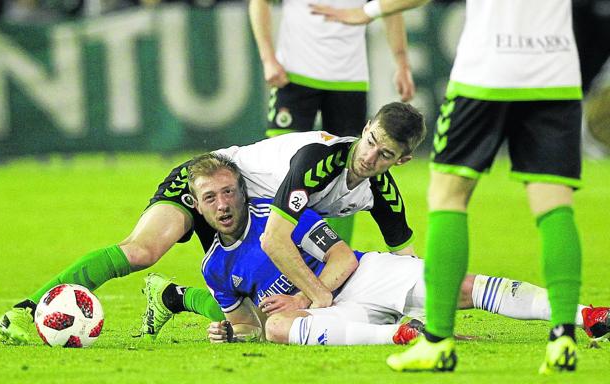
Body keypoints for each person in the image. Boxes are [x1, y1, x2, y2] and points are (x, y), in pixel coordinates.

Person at [0, 102, 426, 344]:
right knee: (142, 250)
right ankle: (26, 309)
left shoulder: (381, 192)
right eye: (370, 142)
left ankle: (172, 297)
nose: (371, 157)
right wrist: (315, 296)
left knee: (254, 320)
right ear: (365, 130)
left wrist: (424, 317)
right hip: (217, 181)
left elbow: (407, 259)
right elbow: (278, 237)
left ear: (400, 160)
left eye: (385, 153)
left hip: (252, 209)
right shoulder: (317, 160)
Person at [312, 0, 587, 374]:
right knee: (555, 206)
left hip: (487, 68)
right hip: (556, 71)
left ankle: (438, 342)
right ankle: (563, 336)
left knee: (449, 197)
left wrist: (371, 10)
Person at [139, 152, 609, 347]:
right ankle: (404, 337)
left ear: (241, 190)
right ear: (197, 209)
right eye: (210, 198)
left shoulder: (275, 217)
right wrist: (230, 333)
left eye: (228, 191)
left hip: (356, 278)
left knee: (459, 288)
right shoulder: (216, 268)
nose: (223, 204)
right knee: (279, 328)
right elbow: (251, 326)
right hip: (335, 315)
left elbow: (341, 257)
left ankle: (585, 314)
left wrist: (307, 295)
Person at [249, 0, 416, 242]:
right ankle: (266, 246)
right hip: (294, 75)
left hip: (349, 79)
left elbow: (391, 9)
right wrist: (268, 58)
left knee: (352, 173)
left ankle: (338, 255)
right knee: (277, 168)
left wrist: (402, 63)